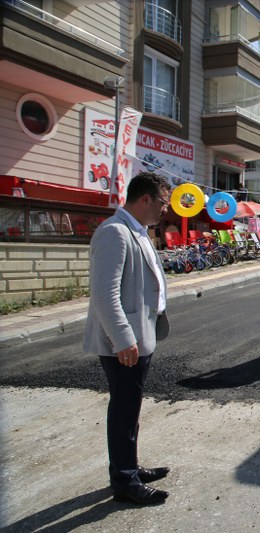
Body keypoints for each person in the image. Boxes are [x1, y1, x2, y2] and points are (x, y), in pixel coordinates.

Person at [83, 172, 172, 505]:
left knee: (129, 409)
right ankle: (124, 482)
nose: (165, 209)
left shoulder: (137, 231)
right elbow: (104, 294)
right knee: (123, 411)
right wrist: (123, 339)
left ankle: (129, 466)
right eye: (162, 202)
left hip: (139, 337)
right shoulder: (114, 233)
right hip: (124, 343)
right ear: (145, 199)